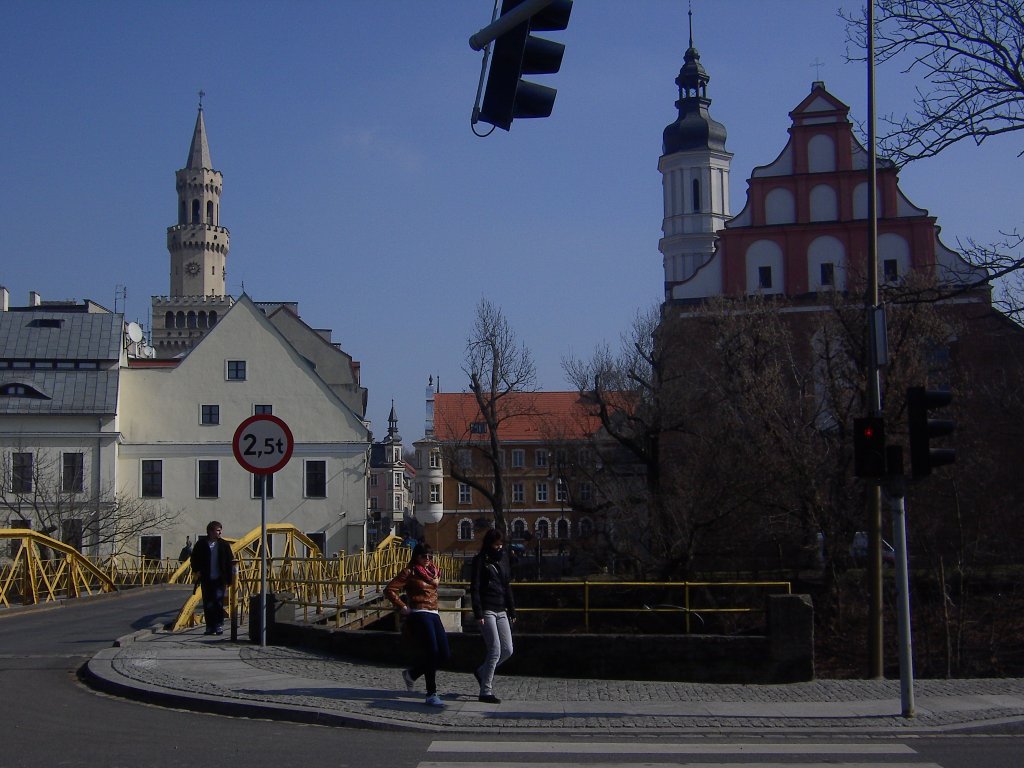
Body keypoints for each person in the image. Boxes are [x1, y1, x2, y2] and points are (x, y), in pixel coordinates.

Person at [384, 543, 450, 707]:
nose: (427, 559)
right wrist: (403, 606)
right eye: (423, 556)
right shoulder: (410, 571)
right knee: (432, 651)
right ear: (416, 557)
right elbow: (390, 589)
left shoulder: (434, 572)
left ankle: (412, 674)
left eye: (430, 556)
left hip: (433, 612)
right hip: (420, 612)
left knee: (445, 653)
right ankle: (431, 693)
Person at [470, 528, 516, 704]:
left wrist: (512, 610)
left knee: (508, 650)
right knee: (494, 649)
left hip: (501, 608)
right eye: (497, 544)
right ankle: (485, 691)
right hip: (487, 609)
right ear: (489, 544)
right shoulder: (480, 561)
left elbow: (507, 586)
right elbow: (474, 587)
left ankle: (482, 672)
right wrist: (478, 611)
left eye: (501, 544)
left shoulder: (503, 560)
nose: (500, 547)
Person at [190, 521, 234, 636]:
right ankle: (210, 626)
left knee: (218, 602)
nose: (219, 532)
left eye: (220, 530)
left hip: (220, 579)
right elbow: (194, 558)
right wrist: (196, 570)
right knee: (208, 603)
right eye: (217, 530)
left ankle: (218, 625)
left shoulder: (224, 545)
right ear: (210, 531)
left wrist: (230, 579)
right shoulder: (201, 544)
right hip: (206, 578)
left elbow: (230, 562)